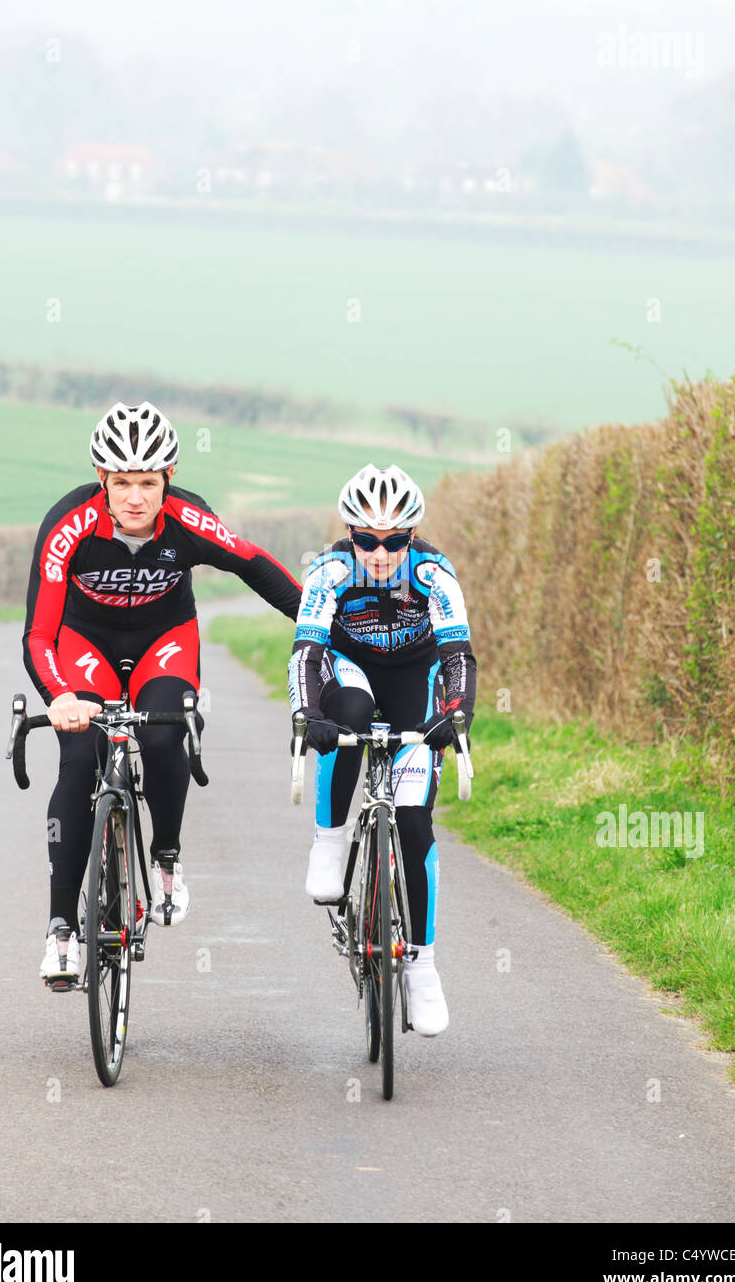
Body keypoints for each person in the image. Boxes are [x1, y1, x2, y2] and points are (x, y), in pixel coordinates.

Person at [24, 401, 301, 987]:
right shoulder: (67, 525)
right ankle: (60, 932)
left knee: (163, 731)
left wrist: (320, 628)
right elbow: (40, 633)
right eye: (120, 482)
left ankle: (167, 858)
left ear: (167, 481)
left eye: (147, 482)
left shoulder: (188, 519)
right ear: (102, 480)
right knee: (78, 763)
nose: (134, 497)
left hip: (163, 638)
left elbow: (255, 565)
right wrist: (60, 696)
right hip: (84, 643)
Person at [288, 463, 476, 1036]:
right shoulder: (329, 572)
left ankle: (423, 967)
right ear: (350, 534)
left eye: (394, 541)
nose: (379, 552)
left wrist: (456, 715)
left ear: (412, 537)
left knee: (416, 824)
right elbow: (306, 655)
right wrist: (307, 715)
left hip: (413, 679)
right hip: (350, 671)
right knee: (346, 717)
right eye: (366, 540)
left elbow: (458, 658)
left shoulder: (436, 575)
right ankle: (329, 840)